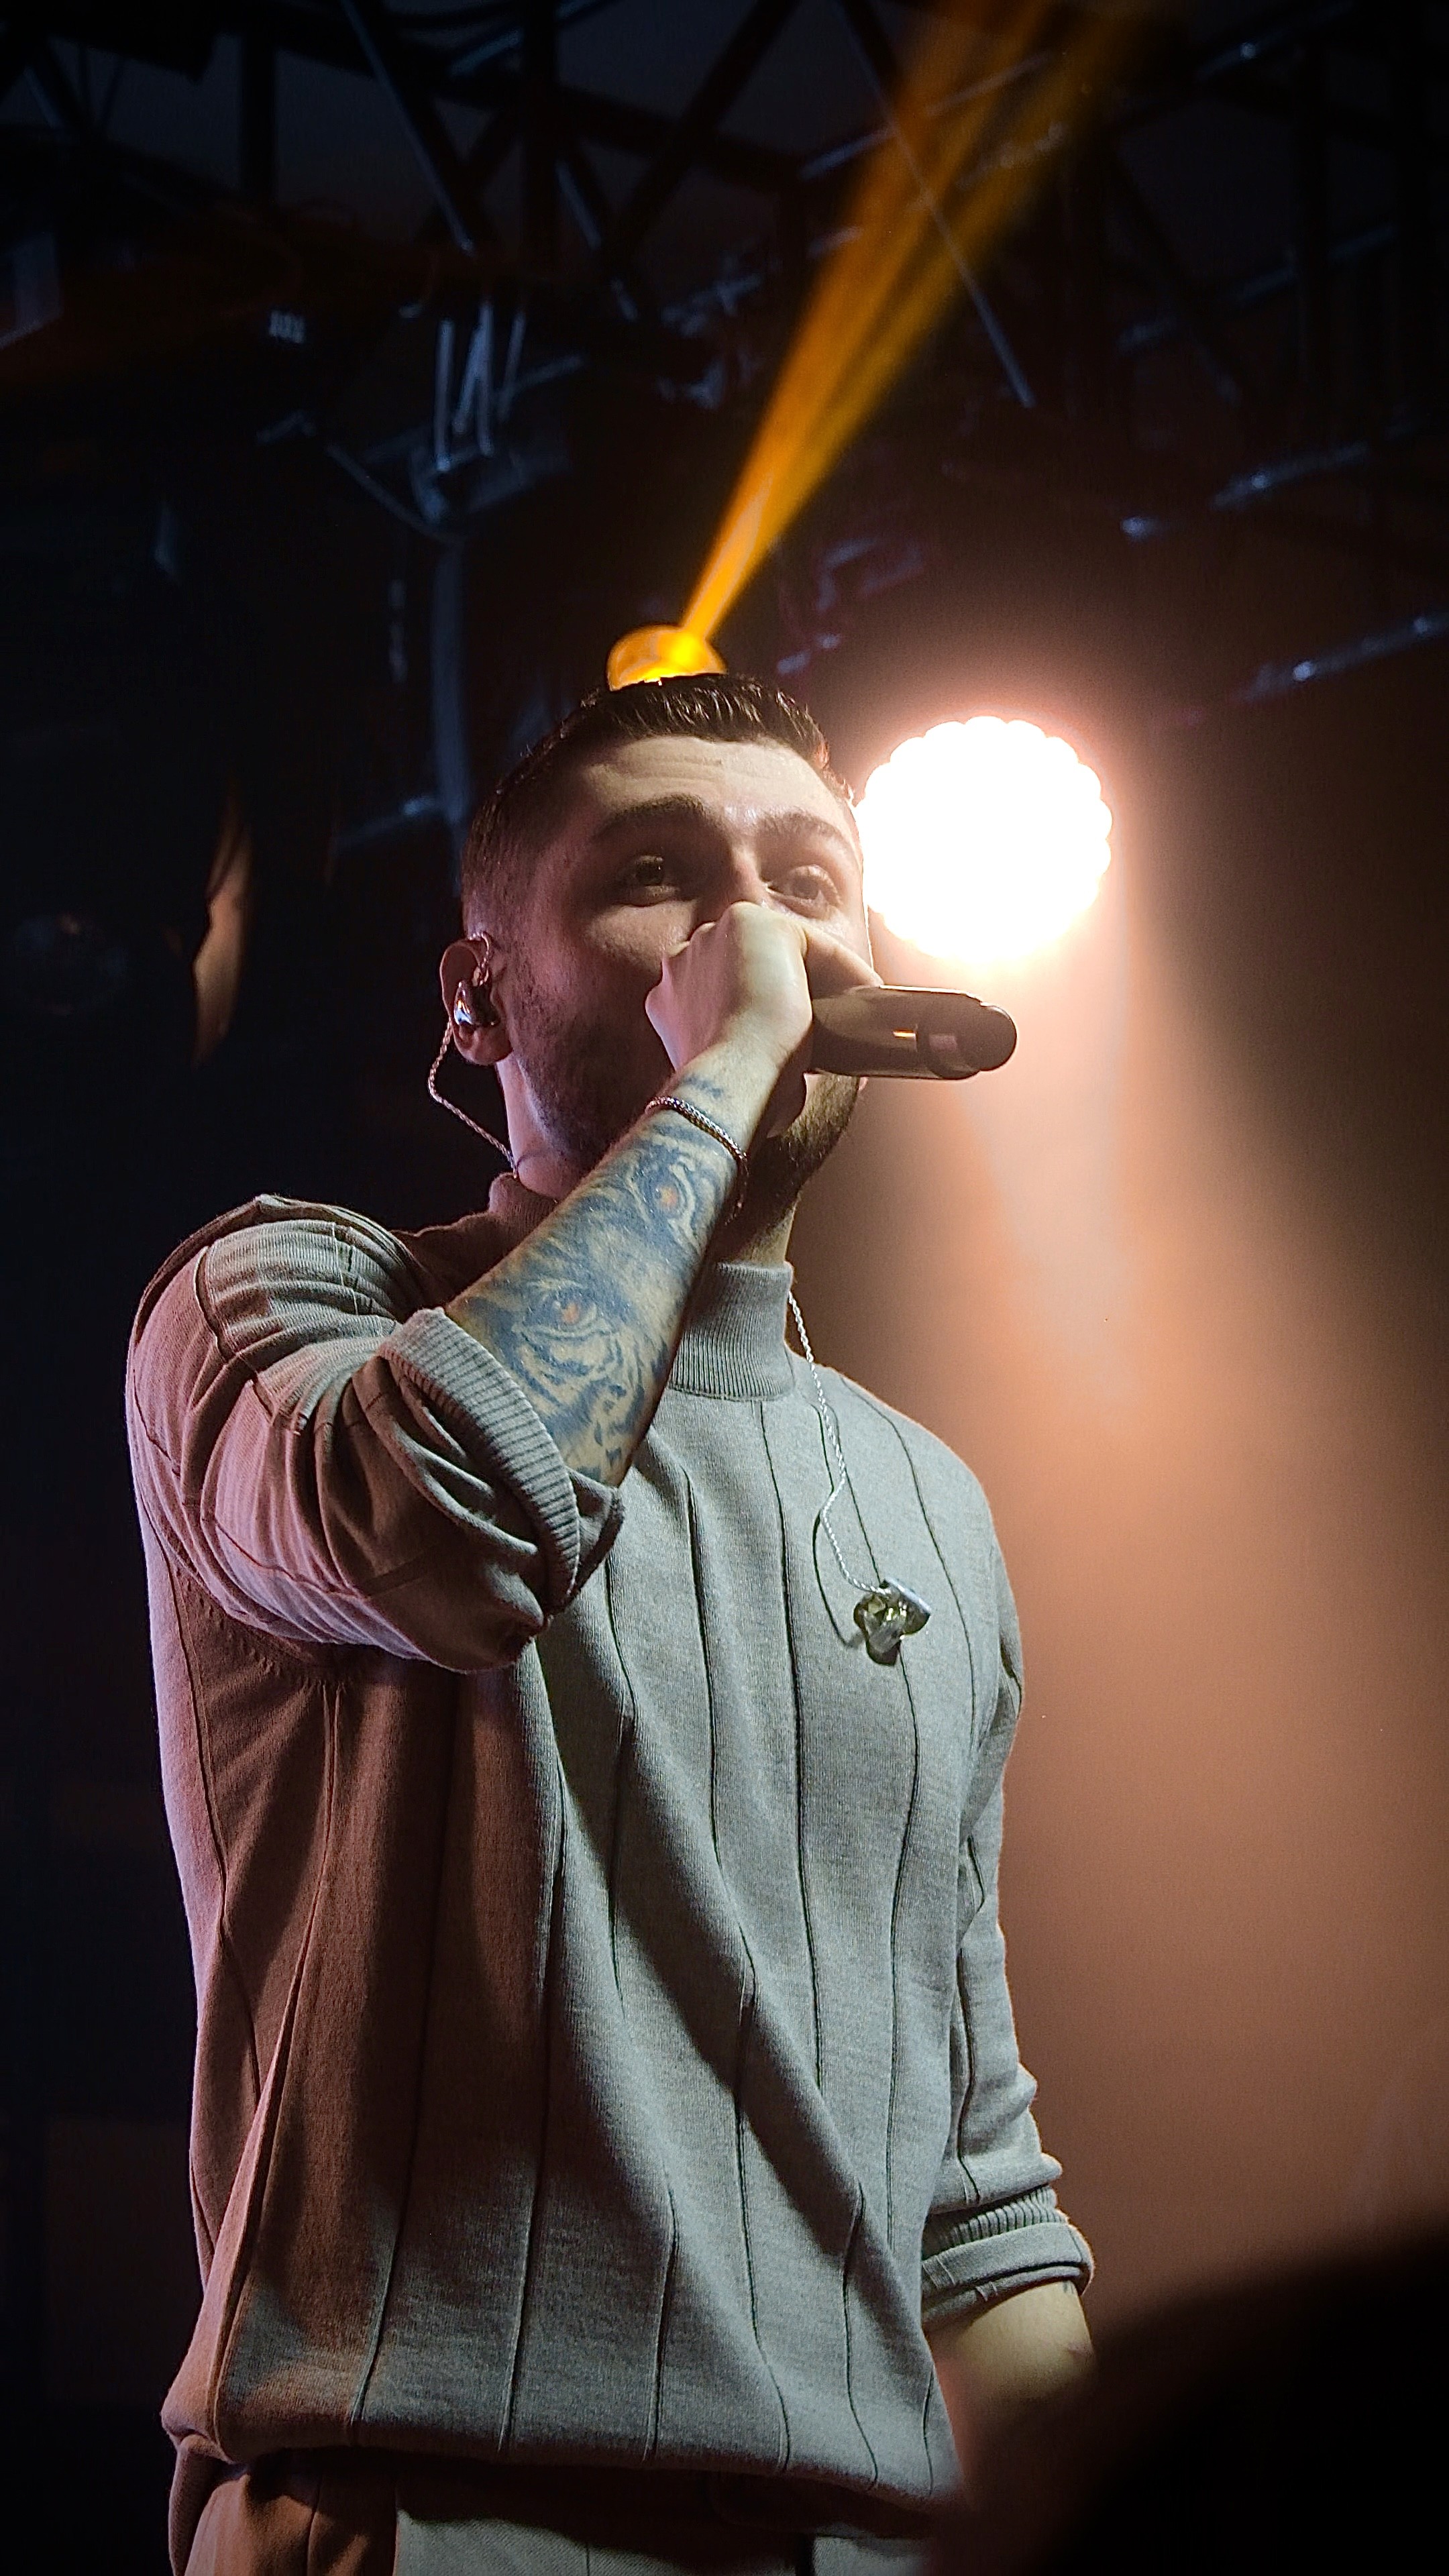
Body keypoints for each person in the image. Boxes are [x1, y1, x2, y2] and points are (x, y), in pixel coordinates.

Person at [126, 674, 1093, 2576]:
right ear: (477, 993)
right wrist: (721, 1077)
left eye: (807, 881)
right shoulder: (278, 1303)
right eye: (662, 878)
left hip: (855, 2542)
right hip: (437, 2515)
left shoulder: (928, 1499)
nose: (758, 937)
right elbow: (446, 1528)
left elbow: (967, 2178)